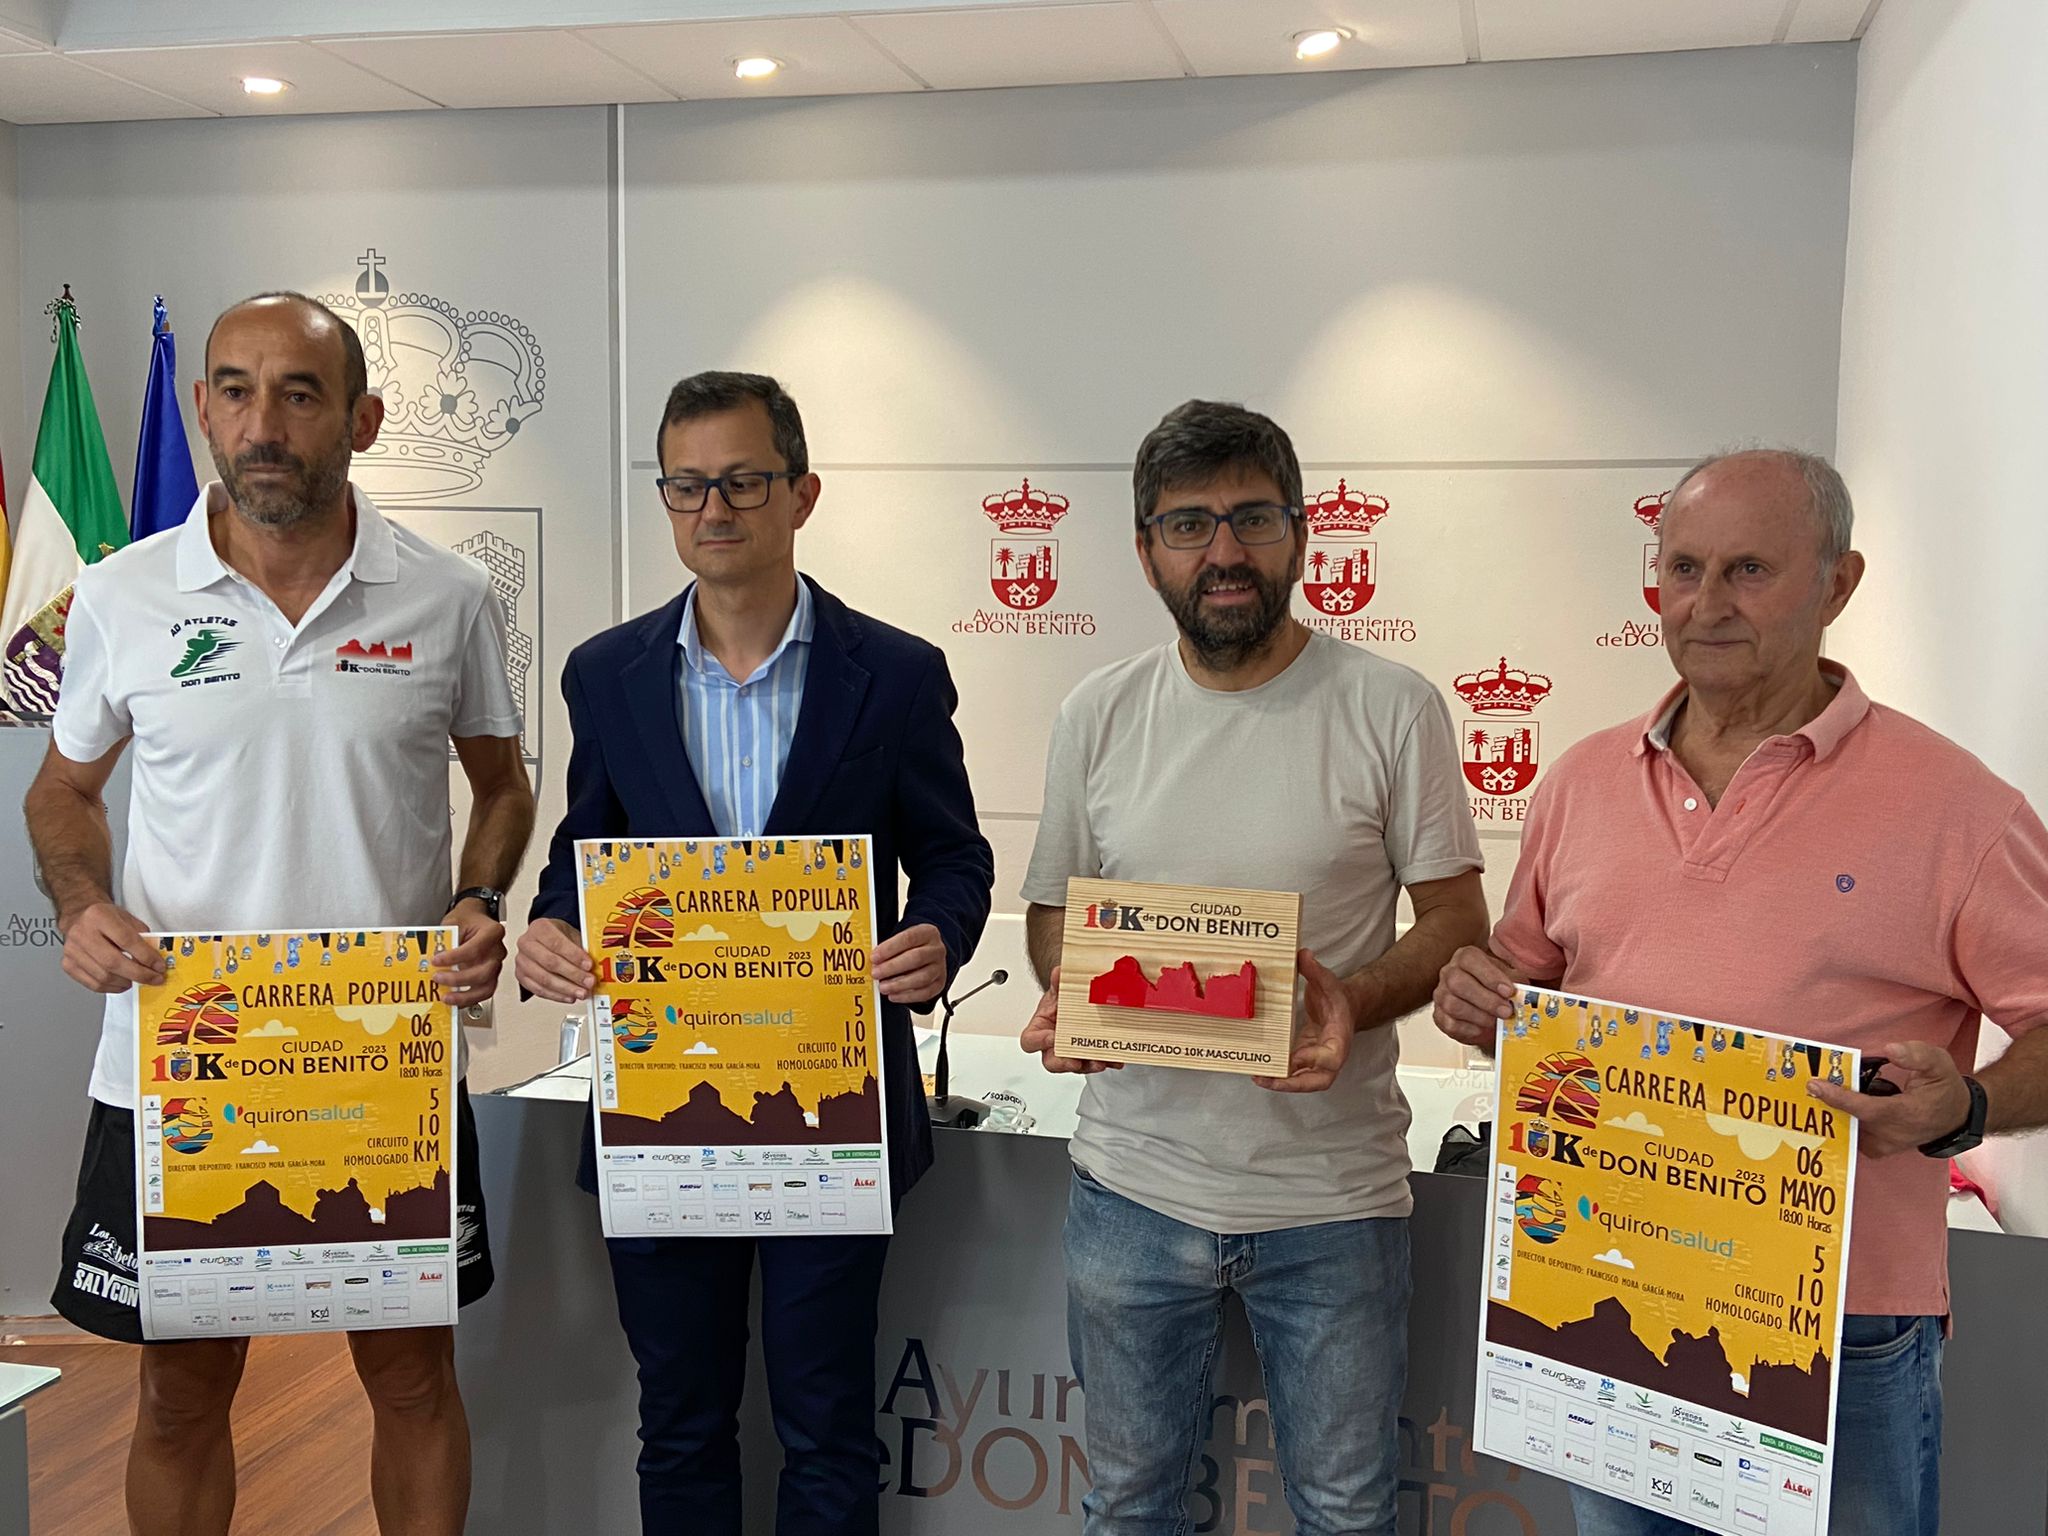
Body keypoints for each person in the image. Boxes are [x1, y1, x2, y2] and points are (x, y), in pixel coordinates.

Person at [1433, 448, 2048, 1536]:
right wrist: (1478, 1003)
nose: (1705, 605)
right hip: (1605, 1301)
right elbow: (1526, 993)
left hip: (1836, 1333)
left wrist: (1968, 1107)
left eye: (1749, 570)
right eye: (1683, 569)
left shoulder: (1958, 807)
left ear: (1837, 584)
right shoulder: (1579, 780)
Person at [26, 291, 535, 1536]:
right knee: (177, 1396)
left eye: (300, 394)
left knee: (410, 1382)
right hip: (180, 1064)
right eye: (237, 391)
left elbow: (502, 785)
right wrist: (82, 900)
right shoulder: (122, 594)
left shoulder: (448, 594)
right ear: (202, 411)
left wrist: (478, 898)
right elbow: (62, 790)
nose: (264, 423)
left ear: (361, 419)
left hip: (383, 1064)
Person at [514, 369, 993, 1535]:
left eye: (740, 481)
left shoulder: (895, 673)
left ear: (801, 493)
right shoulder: (605, 673)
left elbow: (952, 854)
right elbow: (585, 849)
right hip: (661, 1106)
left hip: (829, 1104)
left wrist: (937, 933)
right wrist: (551, 927)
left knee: (827, 1426)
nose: (712, 509)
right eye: (686, 486)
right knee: (680, 1422)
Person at [1017, 399, 1489, 1536]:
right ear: (1146, 551)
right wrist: (1072, 992)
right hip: (1129, 1191)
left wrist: (1347, 1003)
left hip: (1333, 1202)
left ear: (1301, 534)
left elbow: (1454, 923)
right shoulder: (1097, 712)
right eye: (1189, 524)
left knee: (1345, 1515)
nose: (1223, 551)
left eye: (1252, 519)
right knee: (1130, 1511)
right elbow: (1053, 914)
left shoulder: (1393, 707)